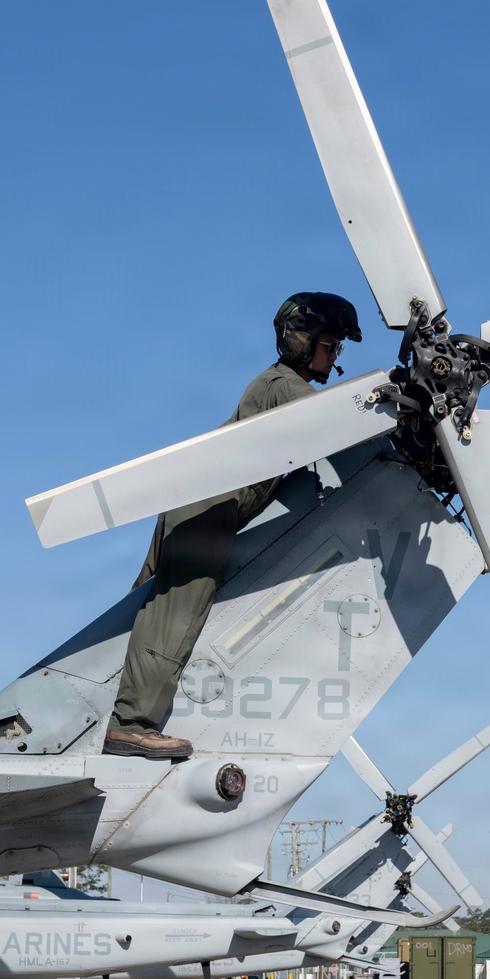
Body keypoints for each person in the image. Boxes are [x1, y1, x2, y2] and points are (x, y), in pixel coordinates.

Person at [103, 292, 362, 759]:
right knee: (177, 615)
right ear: (301, 341)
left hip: (194, 505)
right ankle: (131, 724)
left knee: (142, 608)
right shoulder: (284, 384)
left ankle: (109, 710)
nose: (333, 357)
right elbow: (339, 420)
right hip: (207, 510)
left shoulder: (276, 386)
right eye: (330, 345)